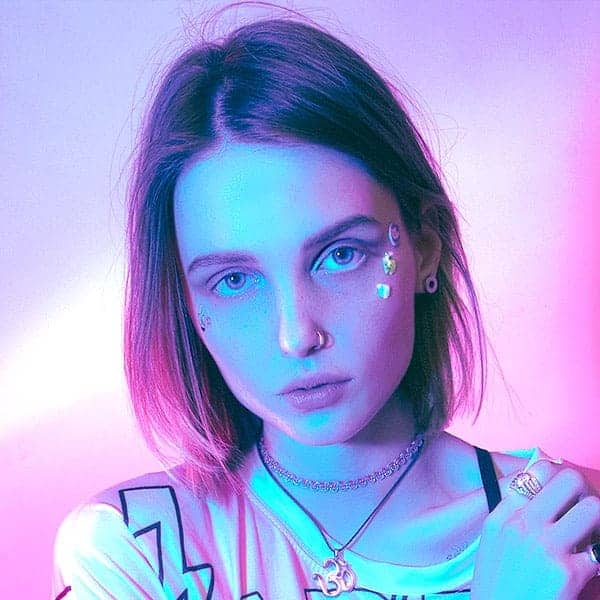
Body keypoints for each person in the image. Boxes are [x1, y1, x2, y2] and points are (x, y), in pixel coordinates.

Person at [51, 9, 600, 600]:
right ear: (186, 302)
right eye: (234, 281)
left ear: (424, 249)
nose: (297, 335)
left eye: (340, 255)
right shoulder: (132, 549)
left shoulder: (573, 526)